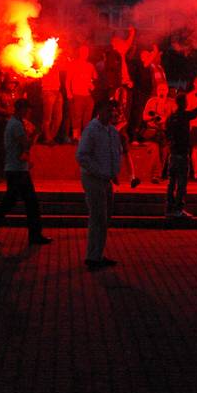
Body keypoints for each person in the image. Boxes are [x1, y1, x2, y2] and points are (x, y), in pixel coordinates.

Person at [0, 99, 52, 246]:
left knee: (15, 202)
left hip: (17, 169)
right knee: (28, 203)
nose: (29, 111)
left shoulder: (15, 123)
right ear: (21, 109)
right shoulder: (16, 125)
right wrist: (37, 134)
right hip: (17, 170)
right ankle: (34, 235)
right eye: (27, 108)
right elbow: (27, 144)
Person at [76, 99, 123, 270]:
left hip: (106, 179)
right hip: (93, 179)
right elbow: (82, 156)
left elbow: (116, 152)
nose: (112, 113)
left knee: (104, 218)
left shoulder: (111, 131)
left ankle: (97, 254)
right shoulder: (92, 130)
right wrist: (99, 171)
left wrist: (114, 172)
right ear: (100, 111)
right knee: (98, 218)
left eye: (114, 110)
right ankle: (93, 256)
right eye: (109, 110)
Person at [165, 91, 197, 218]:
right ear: (184, 103)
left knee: (171, 182)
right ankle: (178, 209)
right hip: (182, 154)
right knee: (182, 183)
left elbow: (167, 133)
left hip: (173, 153)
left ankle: (169, 208)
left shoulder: (171, 117)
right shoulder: (184, 115)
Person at [141, 82, 175, 183]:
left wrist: (165, 119)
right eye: (160, 89)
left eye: (164, 90)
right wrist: (153, 117)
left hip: (166, 131)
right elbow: (144, 117)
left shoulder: (172, 102)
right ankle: (156, 175)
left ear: (167, 91)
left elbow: (176, 117)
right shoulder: (151, 101)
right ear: (157, 90)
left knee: (164, 153)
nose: (162, 92)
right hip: (153, 131)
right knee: (155, 150)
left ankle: (160, 175)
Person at [0, 75, 18, 183]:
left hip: (12, 124)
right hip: (1, 124)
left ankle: (7, 174)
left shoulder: (15, 94)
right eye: (10, 83)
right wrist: (8, 113)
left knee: (10, 151)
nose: (12, 85)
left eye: (14, 83)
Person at [66, 45, 96, 142]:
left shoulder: (90, 66)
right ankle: (76, 137)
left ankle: (85, 137)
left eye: (86, 52)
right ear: (79, 52)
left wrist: (92, 85)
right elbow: (68, 80)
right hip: (77, 94)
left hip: (88, 95)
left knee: (87, 118)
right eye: (83, 51)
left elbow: (94, 78)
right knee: (77, 117)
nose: (85, 54)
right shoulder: (73, 64)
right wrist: (69, 92)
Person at [39, 57, 65, 144]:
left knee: (58, 118)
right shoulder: (43, 64)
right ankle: (47, 138)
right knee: (47, 118)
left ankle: (51, 138)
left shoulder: (56, 65)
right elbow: (40, 72)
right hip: (47, 91)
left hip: (57, 92)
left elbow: (64, 66)